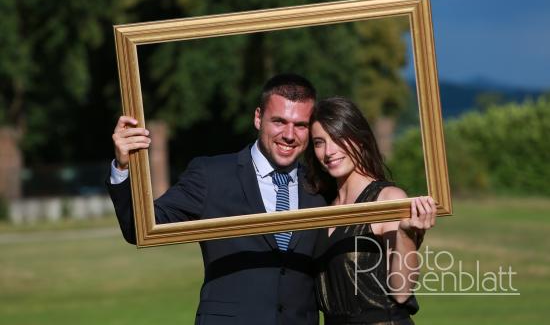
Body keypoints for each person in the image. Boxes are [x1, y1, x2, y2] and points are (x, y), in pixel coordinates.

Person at [106, 73, 326, 325]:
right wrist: (123, 168)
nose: (289, 134)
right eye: (279, 121)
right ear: (258, 118)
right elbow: (139, 227)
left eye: (300, 125)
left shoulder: (320, 184)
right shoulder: (211, 175)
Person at [305, 97, 437, 325]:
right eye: (319, 142)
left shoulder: (388, 199)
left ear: (360, 138)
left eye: (338, 138)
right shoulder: (322, 207)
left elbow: (402, 292)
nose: (329, 151)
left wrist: (406, 236)